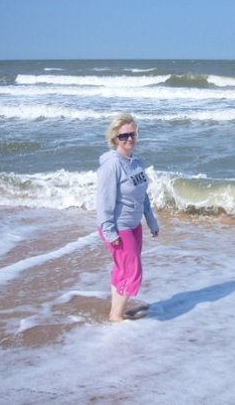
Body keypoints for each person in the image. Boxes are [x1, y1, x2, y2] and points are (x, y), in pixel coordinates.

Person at [96, 114, 159, 322]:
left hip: (134, 225)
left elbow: (143, 196)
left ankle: (116, 312)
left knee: (122, 269)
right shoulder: (111, 165)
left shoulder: (136, 163)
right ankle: (116, 316)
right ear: (115, 138)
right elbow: (104, 202)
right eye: (124, 136)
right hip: (117, 227)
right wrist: (109, 232)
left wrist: (151, 221)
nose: (129, 139)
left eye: (132, 134)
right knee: (132, 271)